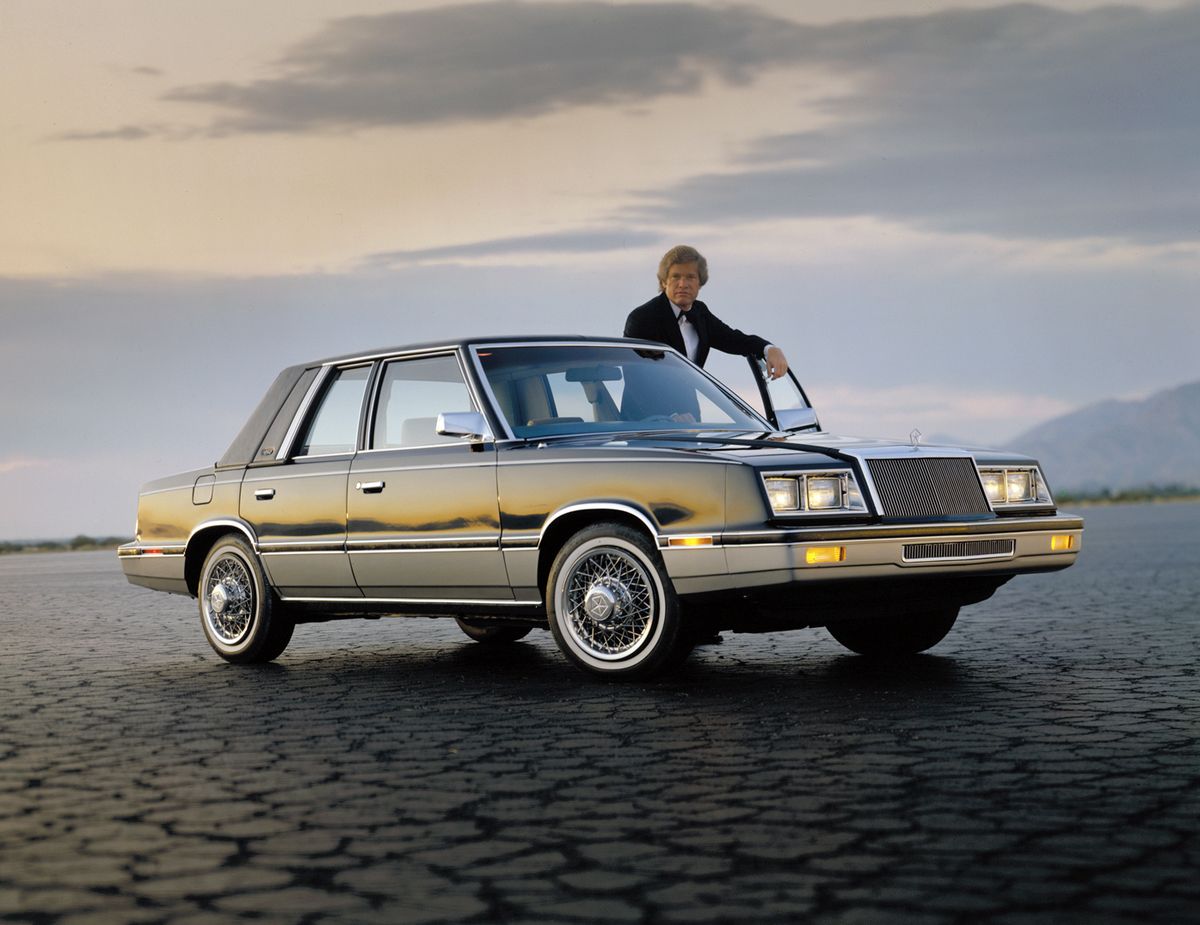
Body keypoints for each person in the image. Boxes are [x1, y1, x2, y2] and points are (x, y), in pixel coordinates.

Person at [624, 244, 789, 379]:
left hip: (690, 415)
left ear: (700, 283)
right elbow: (637, 377)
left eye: (690, 277)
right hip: (647, 417)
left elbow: (734, 340)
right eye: (676, 277)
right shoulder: (642, 318)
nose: (683, 284)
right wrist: (668, 417)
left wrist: (769, 349)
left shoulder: (700, 312)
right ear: (664, 282)